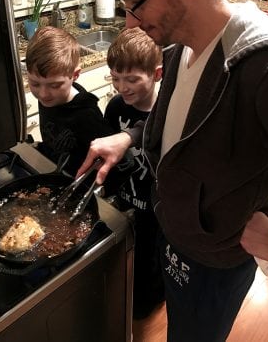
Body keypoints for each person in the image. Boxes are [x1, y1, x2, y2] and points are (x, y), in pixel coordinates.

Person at [76, 0, 268, 342]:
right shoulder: (179, 52)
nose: (130, 20)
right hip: (175, 239)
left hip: (215, 263)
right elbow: (182, 132)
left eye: (136, 3)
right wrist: (129, 136)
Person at [104, 27, 164, 319]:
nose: (122, 87)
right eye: (116, 79)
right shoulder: (115, 107)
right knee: (123, 252)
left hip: (154, 206)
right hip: (124, 196)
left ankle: (147, 302)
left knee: (149, 257)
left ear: (157, 74)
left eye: (132, 79)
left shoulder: (165, 113)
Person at [25, 26, 114, 176]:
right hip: (54, 171)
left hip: (79, 183)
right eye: (34, 84)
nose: (43, 94)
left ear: (75, 75)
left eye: (54, 85)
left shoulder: (87, 115)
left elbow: (110, 162)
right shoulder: (49, 98)